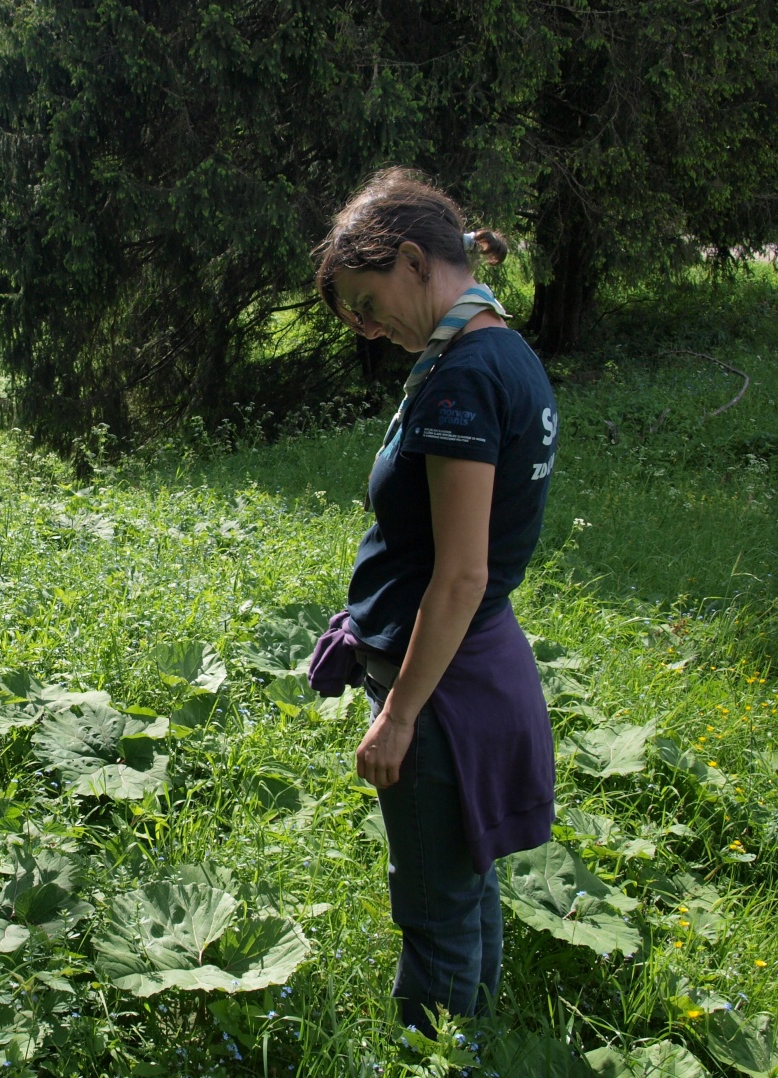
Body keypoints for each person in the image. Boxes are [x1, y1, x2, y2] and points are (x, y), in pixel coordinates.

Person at [312, 168, 558, 1031]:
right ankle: (477, 1057)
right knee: (466, 878)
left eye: (368, 299)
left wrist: (401, 714)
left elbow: (462, 574)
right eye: (350, 312)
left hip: (442, 687)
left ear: (414, 260)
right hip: (472, 662)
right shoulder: (501, 352)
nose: (366, 326)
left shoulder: (459, 380)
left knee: (436, 910)